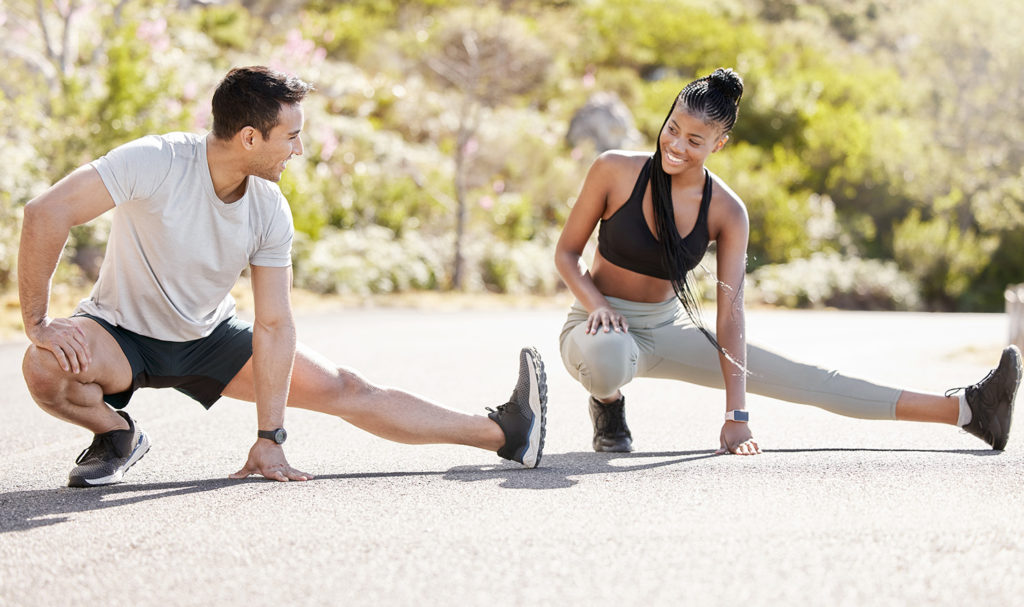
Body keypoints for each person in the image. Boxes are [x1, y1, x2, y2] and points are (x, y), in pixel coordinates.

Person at [20, 66, 547, 488]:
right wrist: (39, 321)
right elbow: (46, 213)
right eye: (291, 137)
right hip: (121, 334)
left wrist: (269, 435)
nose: (298, 149)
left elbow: (274, 324)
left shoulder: (269, 207)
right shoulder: (156, 161)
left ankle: (504, 434)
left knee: (347, 388)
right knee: (43, 365)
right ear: (249, 137)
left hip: (209, 339)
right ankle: (116, 435)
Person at [554, 67, 1021, 456]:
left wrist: (736, 415)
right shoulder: (615, 170)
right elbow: (566, 254)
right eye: (672, 128)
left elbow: (730, 310)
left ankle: (968, 410)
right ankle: (608, 404)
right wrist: (596, 304)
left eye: (695, 140)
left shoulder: (727, 210)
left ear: (719, 144)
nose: (676, 145)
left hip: (667, 327)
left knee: (809, 380)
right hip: (598, 324)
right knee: (608, 357)